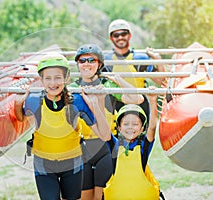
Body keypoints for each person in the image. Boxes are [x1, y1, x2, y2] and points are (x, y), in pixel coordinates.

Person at [14, 53, 111, 200]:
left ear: (66, 78)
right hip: (44, 164)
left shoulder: (77, 101)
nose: (53, 83)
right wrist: (17, 104)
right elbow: (21, 118)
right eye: (48, 78)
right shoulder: (33, 100)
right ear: (41, 80)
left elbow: (105, 136)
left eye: (58, 77)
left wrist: (95, 105)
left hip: (72, 164)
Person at [69, 44, 144, 200]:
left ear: (99, 64)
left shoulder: (108, 85)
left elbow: (137, 99)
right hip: (81, 148)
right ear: (78, 64)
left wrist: (118, 80)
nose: (87, 64)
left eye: (91, 60)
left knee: (101, 197)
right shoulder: (72, 88)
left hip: (106, 148)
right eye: (82, 60)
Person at [103, 89, 165, 199]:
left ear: (142, 129)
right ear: (119, 128)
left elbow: (152, 127)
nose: (130, 127)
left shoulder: (143, 147)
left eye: (135, 124)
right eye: (126, 124)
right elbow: (103, 126)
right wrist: (96, 101)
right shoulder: (115, 146)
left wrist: (152, 101)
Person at [104, 18, 166, 120]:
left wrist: (157, 59)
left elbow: (161, 81)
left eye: (123, 34)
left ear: (129, 35)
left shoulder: (140, 58)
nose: (120, 37)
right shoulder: (107, 60)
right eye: (116, 35)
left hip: (139, 103)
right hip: (115, 105)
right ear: (111, 38)